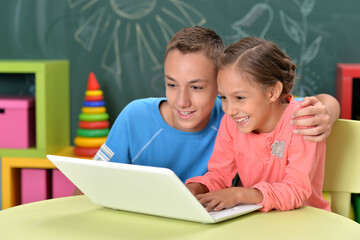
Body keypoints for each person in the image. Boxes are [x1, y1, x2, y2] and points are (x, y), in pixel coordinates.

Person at [75, 26, 339, 197]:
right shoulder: (136, 117)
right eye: (171, 84)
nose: (182, 101)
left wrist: (328, 107)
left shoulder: (239, 115)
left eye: (197, 87)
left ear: (218, 83)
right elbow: (87, 186)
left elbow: (293, 107)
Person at [186, 37, 331, 213]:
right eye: (223, 97)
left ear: (273, 92)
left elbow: (295, 191)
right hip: (256, 221)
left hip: (306, 222)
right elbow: (219, 174)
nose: (229, 110)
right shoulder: (232, 122)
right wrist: (195, 188)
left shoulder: (304, 122)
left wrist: (239, 195)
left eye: (239, 98)